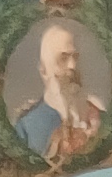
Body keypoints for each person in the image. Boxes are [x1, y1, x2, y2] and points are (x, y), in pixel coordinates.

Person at [15, 20, 103, 157]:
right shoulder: (26, 127)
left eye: (75, 57)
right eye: (63, 58)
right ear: (44, 71)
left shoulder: (99, 116)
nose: (72, 66)